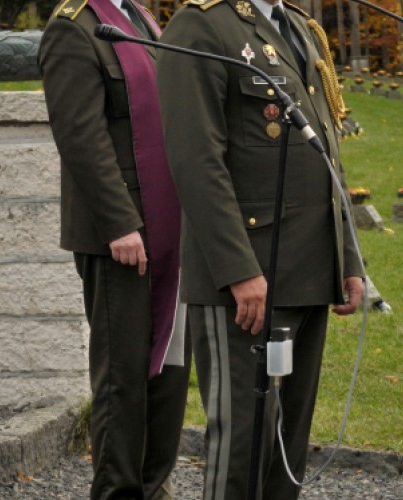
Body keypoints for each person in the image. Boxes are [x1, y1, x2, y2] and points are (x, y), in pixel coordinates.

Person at [156, 0, 365, 498]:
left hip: (310, 270)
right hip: (248, 278)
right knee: (243, 447)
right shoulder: (200, 25)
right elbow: (196, 160)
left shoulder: (296, 26)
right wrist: (237, 268)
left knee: (287, 453)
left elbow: (326, 151)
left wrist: (348, 258)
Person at [39, 0, 191, 498]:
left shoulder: (142, 19)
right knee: (123, 382)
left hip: (170, 230)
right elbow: (79, 134)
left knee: (167, 378)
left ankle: (152, 485)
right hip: (122, 239)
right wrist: (120, 223)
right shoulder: (72, 27)